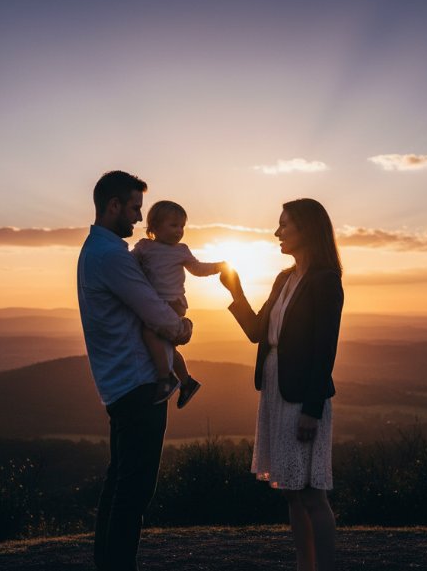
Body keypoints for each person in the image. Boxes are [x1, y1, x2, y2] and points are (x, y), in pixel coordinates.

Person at [77, 170, 194, 571]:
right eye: (134, 208)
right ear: (113, 206)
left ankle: (107, 563)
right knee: (134, 491)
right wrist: (183, 328)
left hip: (119, 383)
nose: (139, 217)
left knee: (119, 483)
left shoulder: (96, 250)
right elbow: (154, 310)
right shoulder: (112, 257)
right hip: (138, 384)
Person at [219, 198, 343, 571]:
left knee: (312, 494)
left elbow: (325, 350)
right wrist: (236, 292)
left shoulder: (325, 281)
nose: (277, 232)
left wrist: (312, 410)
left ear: (307, 228)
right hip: (275, 390)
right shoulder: (284, 278)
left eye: (284, 224)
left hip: (302, 395)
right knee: (291, 491)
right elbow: (258, 331)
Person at [132, 200, 228, 408]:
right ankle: (186, 382)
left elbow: (197, 269)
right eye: (174, 225)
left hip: (173, 303)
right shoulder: (145, 247)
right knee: (166, 347)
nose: (179, 231)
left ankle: (165, 378)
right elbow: (128, 265)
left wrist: (218, 267)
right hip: (155, 303)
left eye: (182, 226)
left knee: (149, 333)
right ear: (155, 226)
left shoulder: (181, 250)